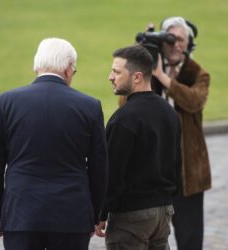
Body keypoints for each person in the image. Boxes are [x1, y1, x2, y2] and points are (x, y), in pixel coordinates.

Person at [0, 37, 108, 250]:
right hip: (72, 216)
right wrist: (96, 215)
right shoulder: (90, 106)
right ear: (68, 70)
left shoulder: (6, 102)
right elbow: (99, 167)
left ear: (36, 66)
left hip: (21, 214)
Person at [95, 45, 182, 250]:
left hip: (131, 217)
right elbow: (177, 165)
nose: (110, 77)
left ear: (137, 77)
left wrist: (101, 213)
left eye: (116, 72)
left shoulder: (124, 118)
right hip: (163, 213)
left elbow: (113, 173)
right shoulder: (169, 113)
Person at [151, 17, 212, 250]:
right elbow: (125, 104)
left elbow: (193, 101)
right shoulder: (149, 72)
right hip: (156, 171)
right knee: (151, 238)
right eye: (170, 39)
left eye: (181, 40)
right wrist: (145, 68)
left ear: (189, 44)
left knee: (190, 240)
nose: (176, 45)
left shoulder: (198, 73)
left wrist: (162, 77)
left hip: (188, 174)